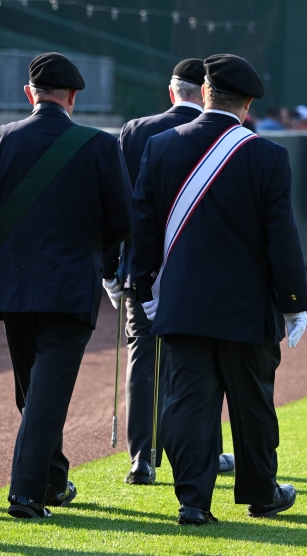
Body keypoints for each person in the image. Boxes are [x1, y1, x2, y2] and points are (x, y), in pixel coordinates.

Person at [132, 53, 307, 525]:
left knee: (187, 401)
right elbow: (281, 238)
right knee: (252, 405)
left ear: (204, 93)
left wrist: (142, 289)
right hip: (247, 308)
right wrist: (295, 304)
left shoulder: (160, 147)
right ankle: (261, 494)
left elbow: (143, 227)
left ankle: (192, 501)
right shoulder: (268, 155)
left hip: (182, 303)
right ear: (247, 106)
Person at [0, 52, 132, 519]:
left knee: (34, 394)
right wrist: (94, 252)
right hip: (70, 287)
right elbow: (122, 219)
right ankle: (26, 493)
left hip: (14, 291)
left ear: (29, 94)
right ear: (72, 97)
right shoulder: (98, 145)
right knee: (44, 395)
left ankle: (51, 481)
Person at [104, 59, 234, 484]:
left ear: (171, 90)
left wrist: (112, 271)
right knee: (201, 361)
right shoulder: (227, 134)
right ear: (209, 92)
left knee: (143, 356)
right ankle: (207, 453)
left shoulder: (136, 130)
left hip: (142, 266)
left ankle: (143, 458)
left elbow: (119, 209)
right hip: (201, 270)